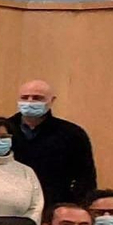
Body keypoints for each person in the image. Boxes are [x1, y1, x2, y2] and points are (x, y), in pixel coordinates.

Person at [11, 79, 97, 207]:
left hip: (55, 206)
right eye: (25, 97)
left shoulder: (72, 133)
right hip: (9, 203)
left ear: (52, 101)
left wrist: (79, 208)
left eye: (37, 98)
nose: (29, 102)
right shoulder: (4, 130)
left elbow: (85, 178)